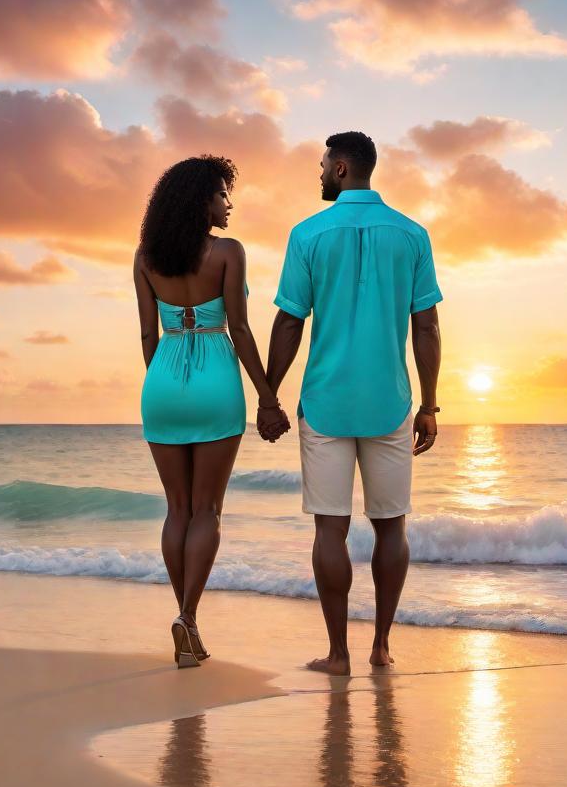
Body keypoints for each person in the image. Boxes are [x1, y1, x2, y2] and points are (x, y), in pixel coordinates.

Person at [263, 131, 442, 676]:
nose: (318, 174)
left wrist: (269, 396)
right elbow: (426, 325)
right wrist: (430, 405)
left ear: (341, 168)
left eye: (321, 165)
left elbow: (290, 320)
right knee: (393, 527)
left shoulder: (308, 234)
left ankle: (339, 654)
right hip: (389, 402)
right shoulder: (411, 234)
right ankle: (381, 647)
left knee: (329, 530)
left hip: (326, 403)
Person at [135, 155, 291, 669]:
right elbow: (241, 330)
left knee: (176, 509)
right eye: (223, 193)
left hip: (162, 379)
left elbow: (146, 336)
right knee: (208, 511)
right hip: (215, 377)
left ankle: (187, 622)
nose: (229, 203)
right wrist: (268, 397)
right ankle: (187, 615)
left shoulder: (145, 257)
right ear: (201, 199)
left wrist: (163, 383)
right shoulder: (227, 252)